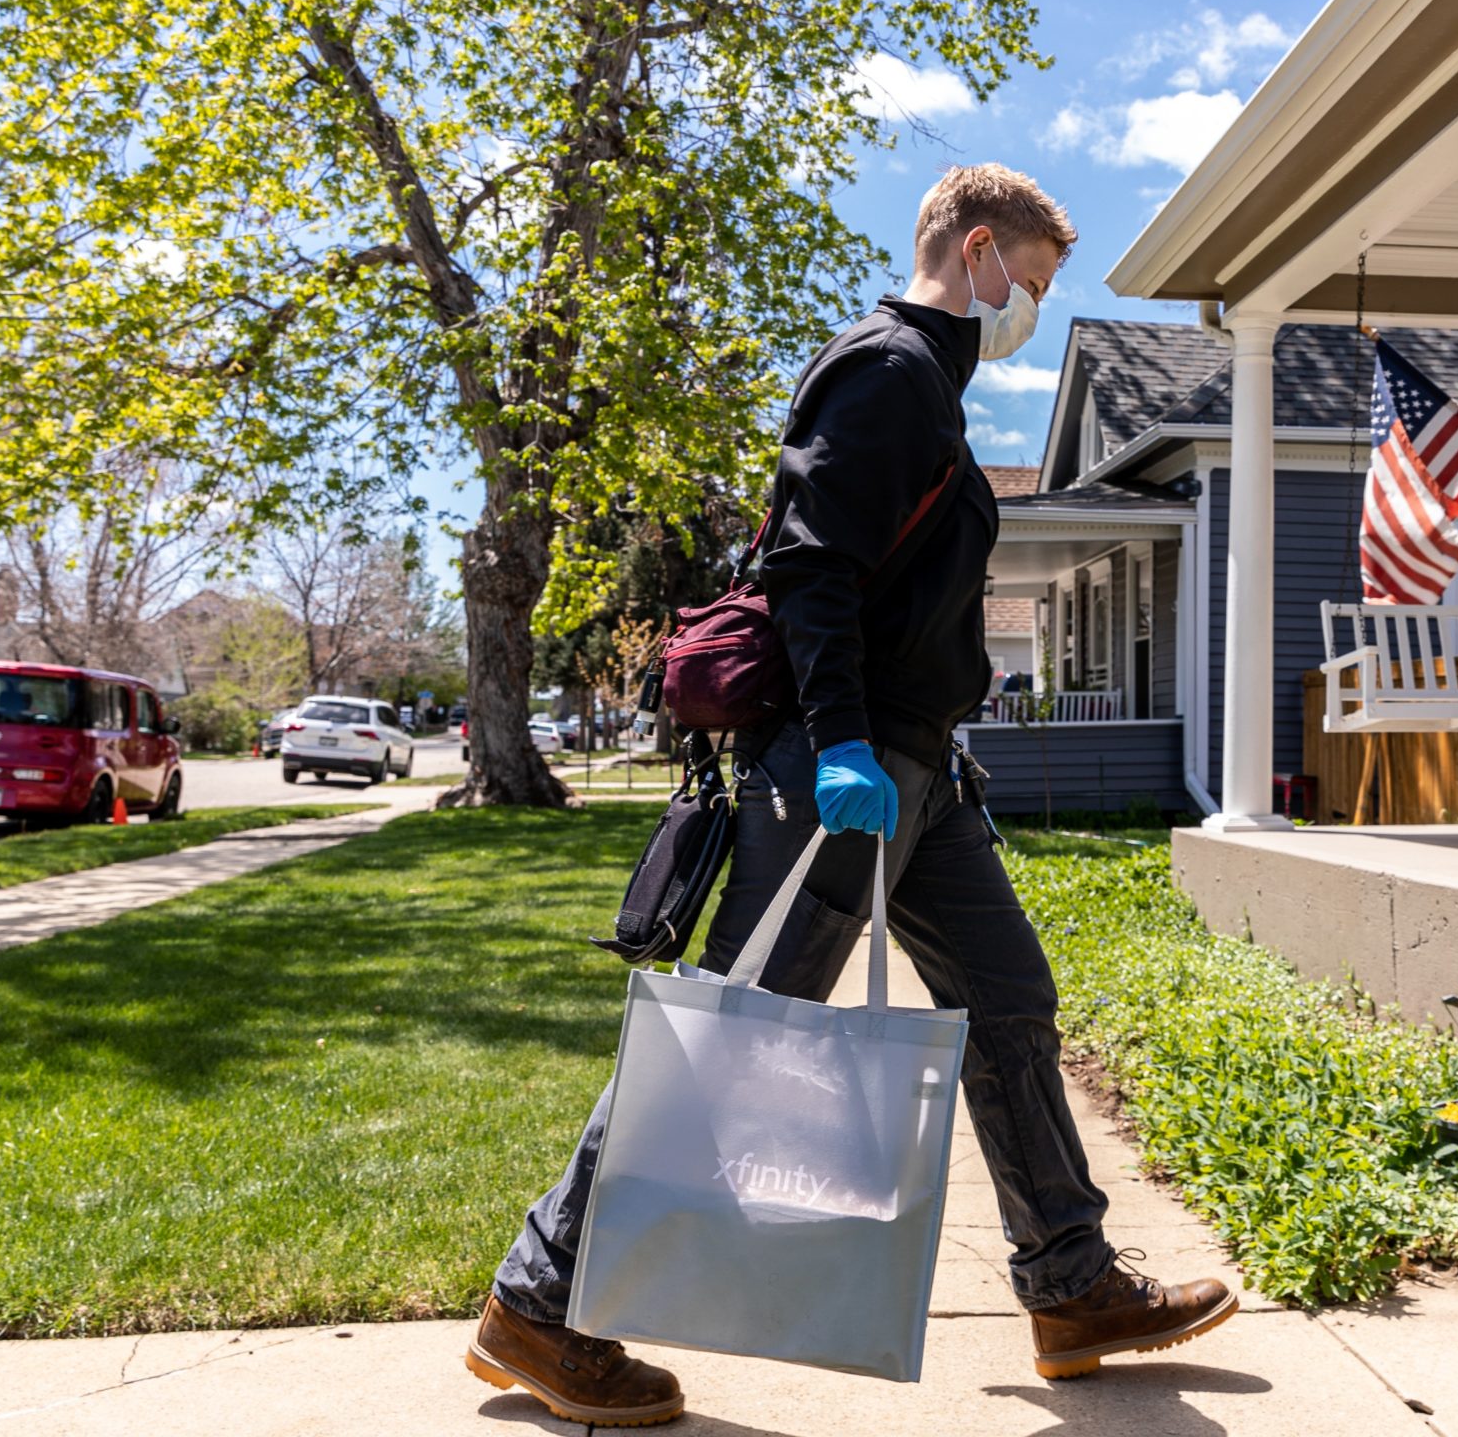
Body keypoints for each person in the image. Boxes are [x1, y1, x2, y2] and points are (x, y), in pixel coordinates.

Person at [465, 164, 1236, 1427]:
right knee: (735, 1037)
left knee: (1008, 1005)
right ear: (976, 248)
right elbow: (813, 571)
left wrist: (921, 740)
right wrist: (838, 743)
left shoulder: (927, 386)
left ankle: (1072, 1283)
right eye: (1031, 284)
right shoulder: (885, 369)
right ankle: (539, 1307)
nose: (1029, 309)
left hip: (921, 769)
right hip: (847, 768)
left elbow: (901, 589)